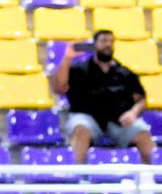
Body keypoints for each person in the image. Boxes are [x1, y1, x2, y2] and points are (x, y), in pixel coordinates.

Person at [51, 30, 155, 164]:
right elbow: (58, 88)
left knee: (142, 132)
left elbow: (141, 100)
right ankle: (77, 176)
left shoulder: (125, 73)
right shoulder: (79, 69)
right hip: (87, 117)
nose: (108, 45)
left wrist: (133, 113)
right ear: (94, 44)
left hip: (118, 120)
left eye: (111, 41)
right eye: (104, 41)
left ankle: (152, 178)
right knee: (80, 128)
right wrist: (67, 58)